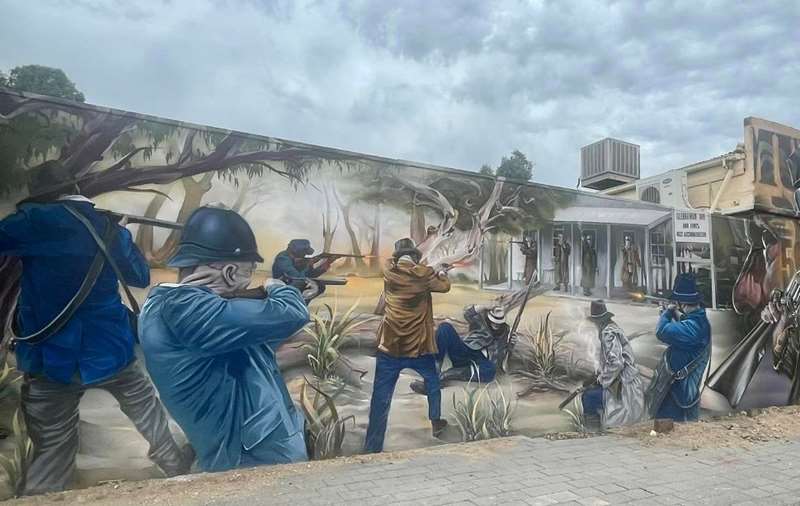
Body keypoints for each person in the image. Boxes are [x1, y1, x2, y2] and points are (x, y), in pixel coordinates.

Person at [0, 193, 191, 495]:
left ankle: (42, 493)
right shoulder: (106, 227)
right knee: (145, 408)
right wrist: (120, 233)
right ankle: (172, 463)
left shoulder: (29, 222)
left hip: (51, 358)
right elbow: (139, 276)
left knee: (52, 446)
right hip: (108, 348)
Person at [139, 206, 310, 472]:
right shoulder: (187, 310)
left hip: (257, 453)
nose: (251, 280)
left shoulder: (185, 307)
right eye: (249, 271)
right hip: (250, 462)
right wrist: (277, 288)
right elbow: (292, 312)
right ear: (230, 272)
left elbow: (256, 343)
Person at [364, 238, 450, 453]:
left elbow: (392, 265)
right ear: (415, 257)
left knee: (380, 398)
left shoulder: (389, 273)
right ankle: (436, 421)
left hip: (390, 346)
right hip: (418, 346)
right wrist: (441, 272)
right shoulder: (424, 276)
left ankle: (372, 445)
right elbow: (444, 287)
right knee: (432, 382)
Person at [409, 305, 514, 395]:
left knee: (490, 371)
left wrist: (511, 345)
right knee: (445, 328)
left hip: (480, 362)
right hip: (465, 350)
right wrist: (485, 306)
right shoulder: (481, 322)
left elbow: (502, 357)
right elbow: (468, 313)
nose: (496, 324)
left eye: (499, 322)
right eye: (494, 320)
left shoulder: (506, 332)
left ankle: (445, 376)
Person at [653, 273, 711, 421]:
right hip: (678, 393)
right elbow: (683, 323)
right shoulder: (697, 320)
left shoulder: (694, 327)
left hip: (678, 398)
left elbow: (662, 331)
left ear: (681, 303)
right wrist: (672, 313)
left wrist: (667, 313)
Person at [580, 300, 644, 429]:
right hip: (623, 381)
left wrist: (601, 379)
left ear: (598, 321)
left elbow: (617, 363)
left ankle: (592, 432)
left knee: (588, 397)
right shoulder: (612, 328)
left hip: (624, 385)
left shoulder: (608, 333)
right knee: (590, 394)